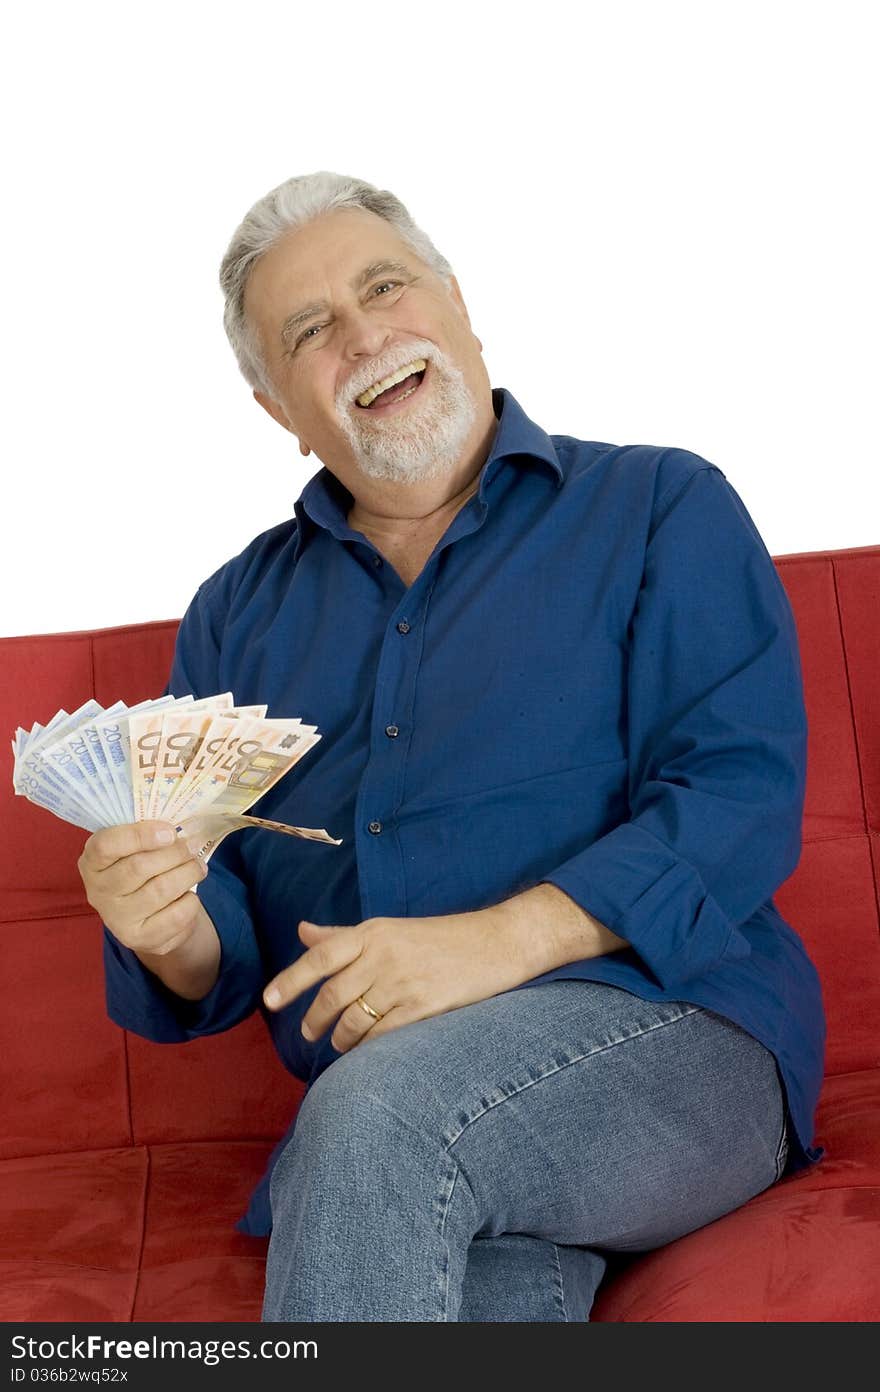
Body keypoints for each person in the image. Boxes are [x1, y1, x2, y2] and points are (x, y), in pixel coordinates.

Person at [79, 171, 826, 1323]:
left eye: (385, 287)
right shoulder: (235, 614)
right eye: (310, 331)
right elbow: (216, 943)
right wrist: (166, 922)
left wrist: (492, 944)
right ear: (278, 406)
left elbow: (740, 793)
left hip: (679, 1037)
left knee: (382, 1118)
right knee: (480, 1289)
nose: (365, 335)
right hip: (406, 1118)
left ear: (459, 305)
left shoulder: (657, 503)